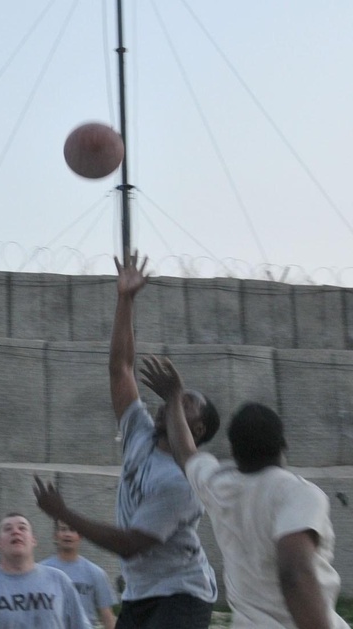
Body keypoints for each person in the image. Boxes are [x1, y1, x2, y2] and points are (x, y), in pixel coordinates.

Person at [34, 252, 219, 629]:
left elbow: (131, 543)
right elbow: (121, 367)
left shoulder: (182, 481)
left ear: (196, 430)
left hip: (182, 595)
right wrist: (125, 299)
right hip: (140, 592)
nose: (172, 403)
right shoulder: (141, 433)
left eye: (186, 403)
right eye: (175, 397)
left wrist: (64, 514)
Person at [140, 354, 350, 629]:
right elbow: (293, 574)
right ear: (283, 445)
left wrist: (173, 397)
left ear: (234, 452)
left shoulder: (219, 486)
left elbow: (185, 453)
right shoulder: (300, 495)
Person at [0, 513, 92, 629]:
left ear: (33, 540)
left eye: (22, 528)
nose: (15, 532)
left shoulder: (59, 581)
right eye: (8, 529)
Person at [41, 520, 118, 629]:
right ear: (55, 536)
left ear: (80, 535)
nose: (68, 534)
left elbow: (107, 616)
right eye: (63, 529)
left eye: (72, 530)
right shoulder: (42, 571)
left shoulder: (95, 573)